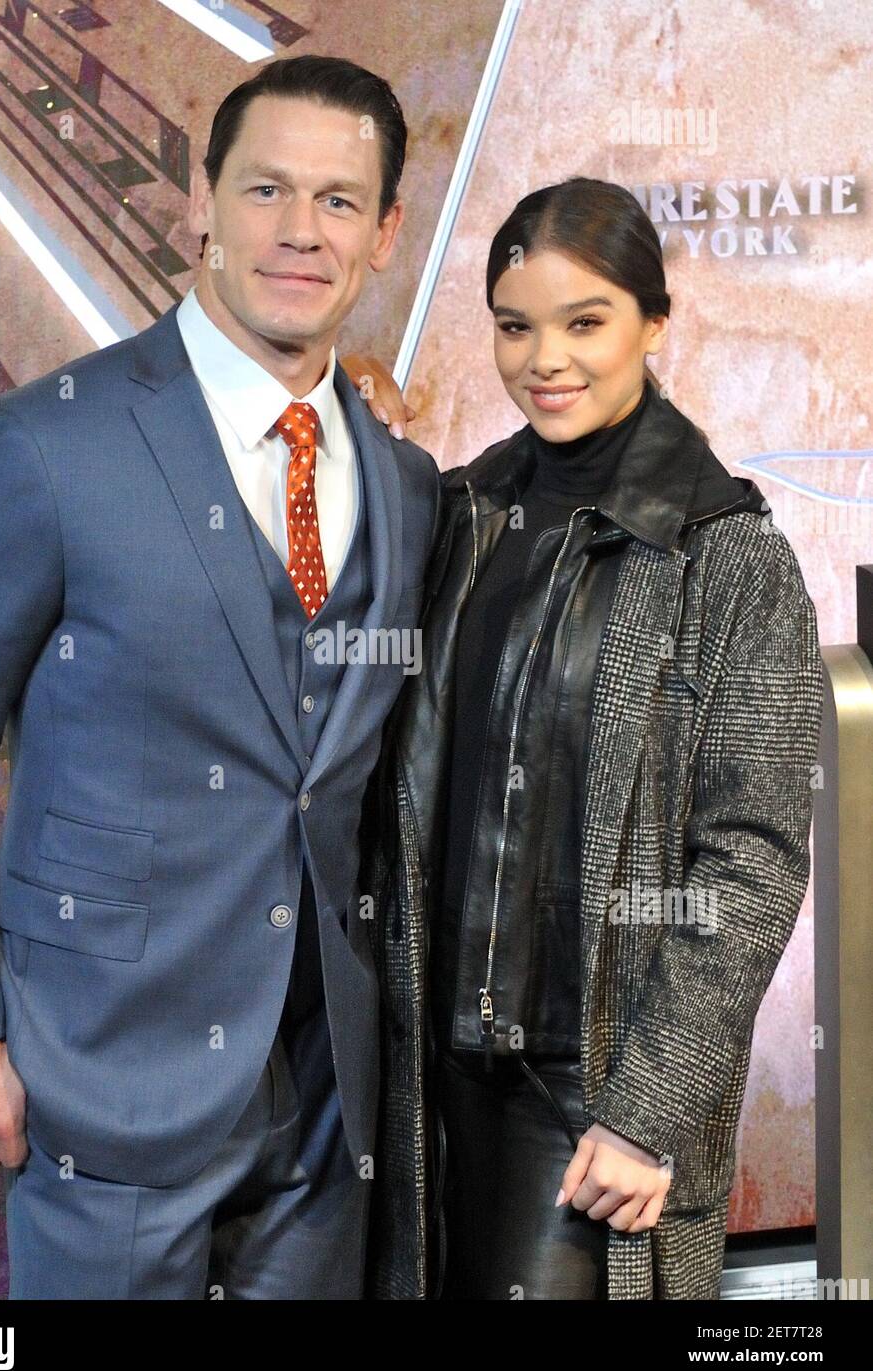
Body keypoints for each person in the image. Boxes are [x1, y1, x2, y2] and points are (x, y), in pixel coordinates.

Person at [0, 54, 440, 1299]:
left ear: (386, 233)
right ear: (200, 206)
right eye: (265, 191)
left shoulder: (401, 483)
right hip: (97, 1083)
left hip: (330, 1099)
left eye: (340, 201)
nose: (300, 231)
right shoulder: (32, 449)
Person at [350, 177, 823, 1299]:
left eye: (584, 321)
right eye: (514, 326)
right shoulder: (458, 515)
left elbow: (750, 862)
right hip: (420, 1076)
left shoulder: (724, 554)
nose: (543, 359)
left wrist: (647, 1108)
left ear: (654, 323)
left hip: (588, 1097)